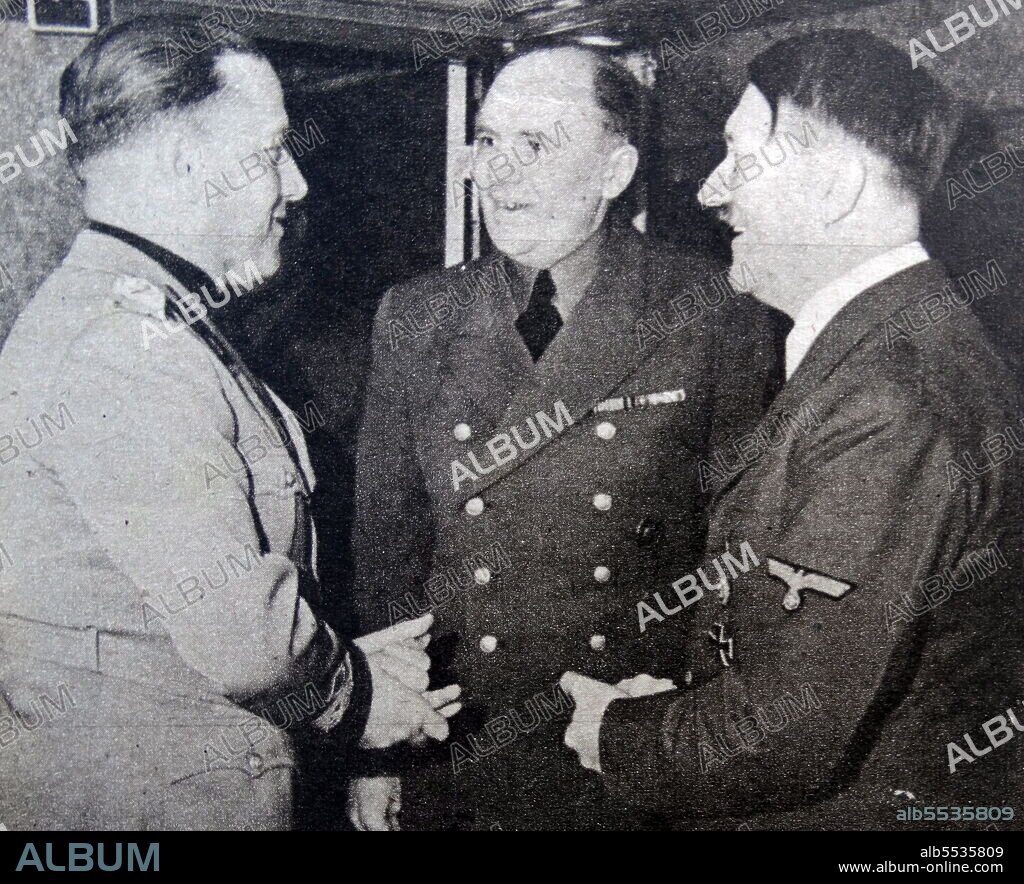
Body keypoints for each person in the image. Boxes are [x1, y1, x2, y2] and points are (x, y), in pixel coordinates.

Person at [0, 18, 458, 831]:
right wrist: (354, 699)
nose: (297, 183)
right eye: (271, 150)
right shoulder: (126, 344)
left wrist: (339, 662)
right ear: (187, 163)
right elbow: (241, 636)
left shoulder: (140, 316)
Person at [561, 29, 1024, 830]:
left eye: (739, 155)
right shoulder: (894, 351)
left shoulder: (891, 396)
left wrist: (618, 734)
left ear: (836, 186)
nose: (710, 191)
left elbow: (790, 729)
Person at [352, 43, 783, 830]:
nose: (496, 172)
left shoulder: (714, 308)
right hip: (458, 734)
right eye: (486, 141)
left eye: (535, 145)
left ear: (615, 171)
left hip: (621, 736)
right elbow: (388, 549)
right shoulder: (413, 315)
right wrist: (380, 751)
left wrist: (697, 743)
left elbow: (740, 556)